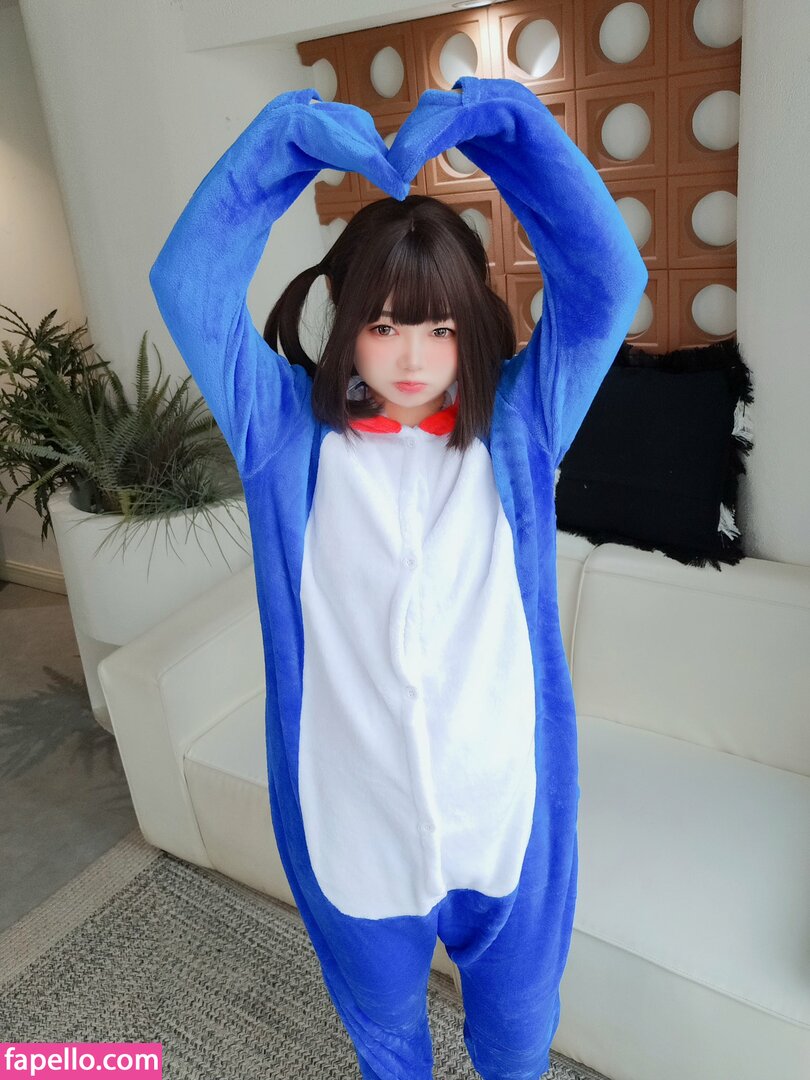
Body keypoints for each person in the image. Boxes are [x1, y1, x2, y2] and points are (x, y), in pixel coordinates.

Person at [148, 75, 648, 1080]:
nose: (412, 356)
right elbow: (189, 283)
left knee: (516, 1048)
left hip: (509, 823)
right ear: (345, 324)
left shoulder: (519, 426)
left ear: (471, 327)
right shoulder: (283, 434)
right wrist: (289, 140)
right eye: (384, 325)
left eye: (440, 327)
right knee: (388, 1051)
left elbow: (607, 279)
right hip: (351, 830)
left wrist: (509, 129)